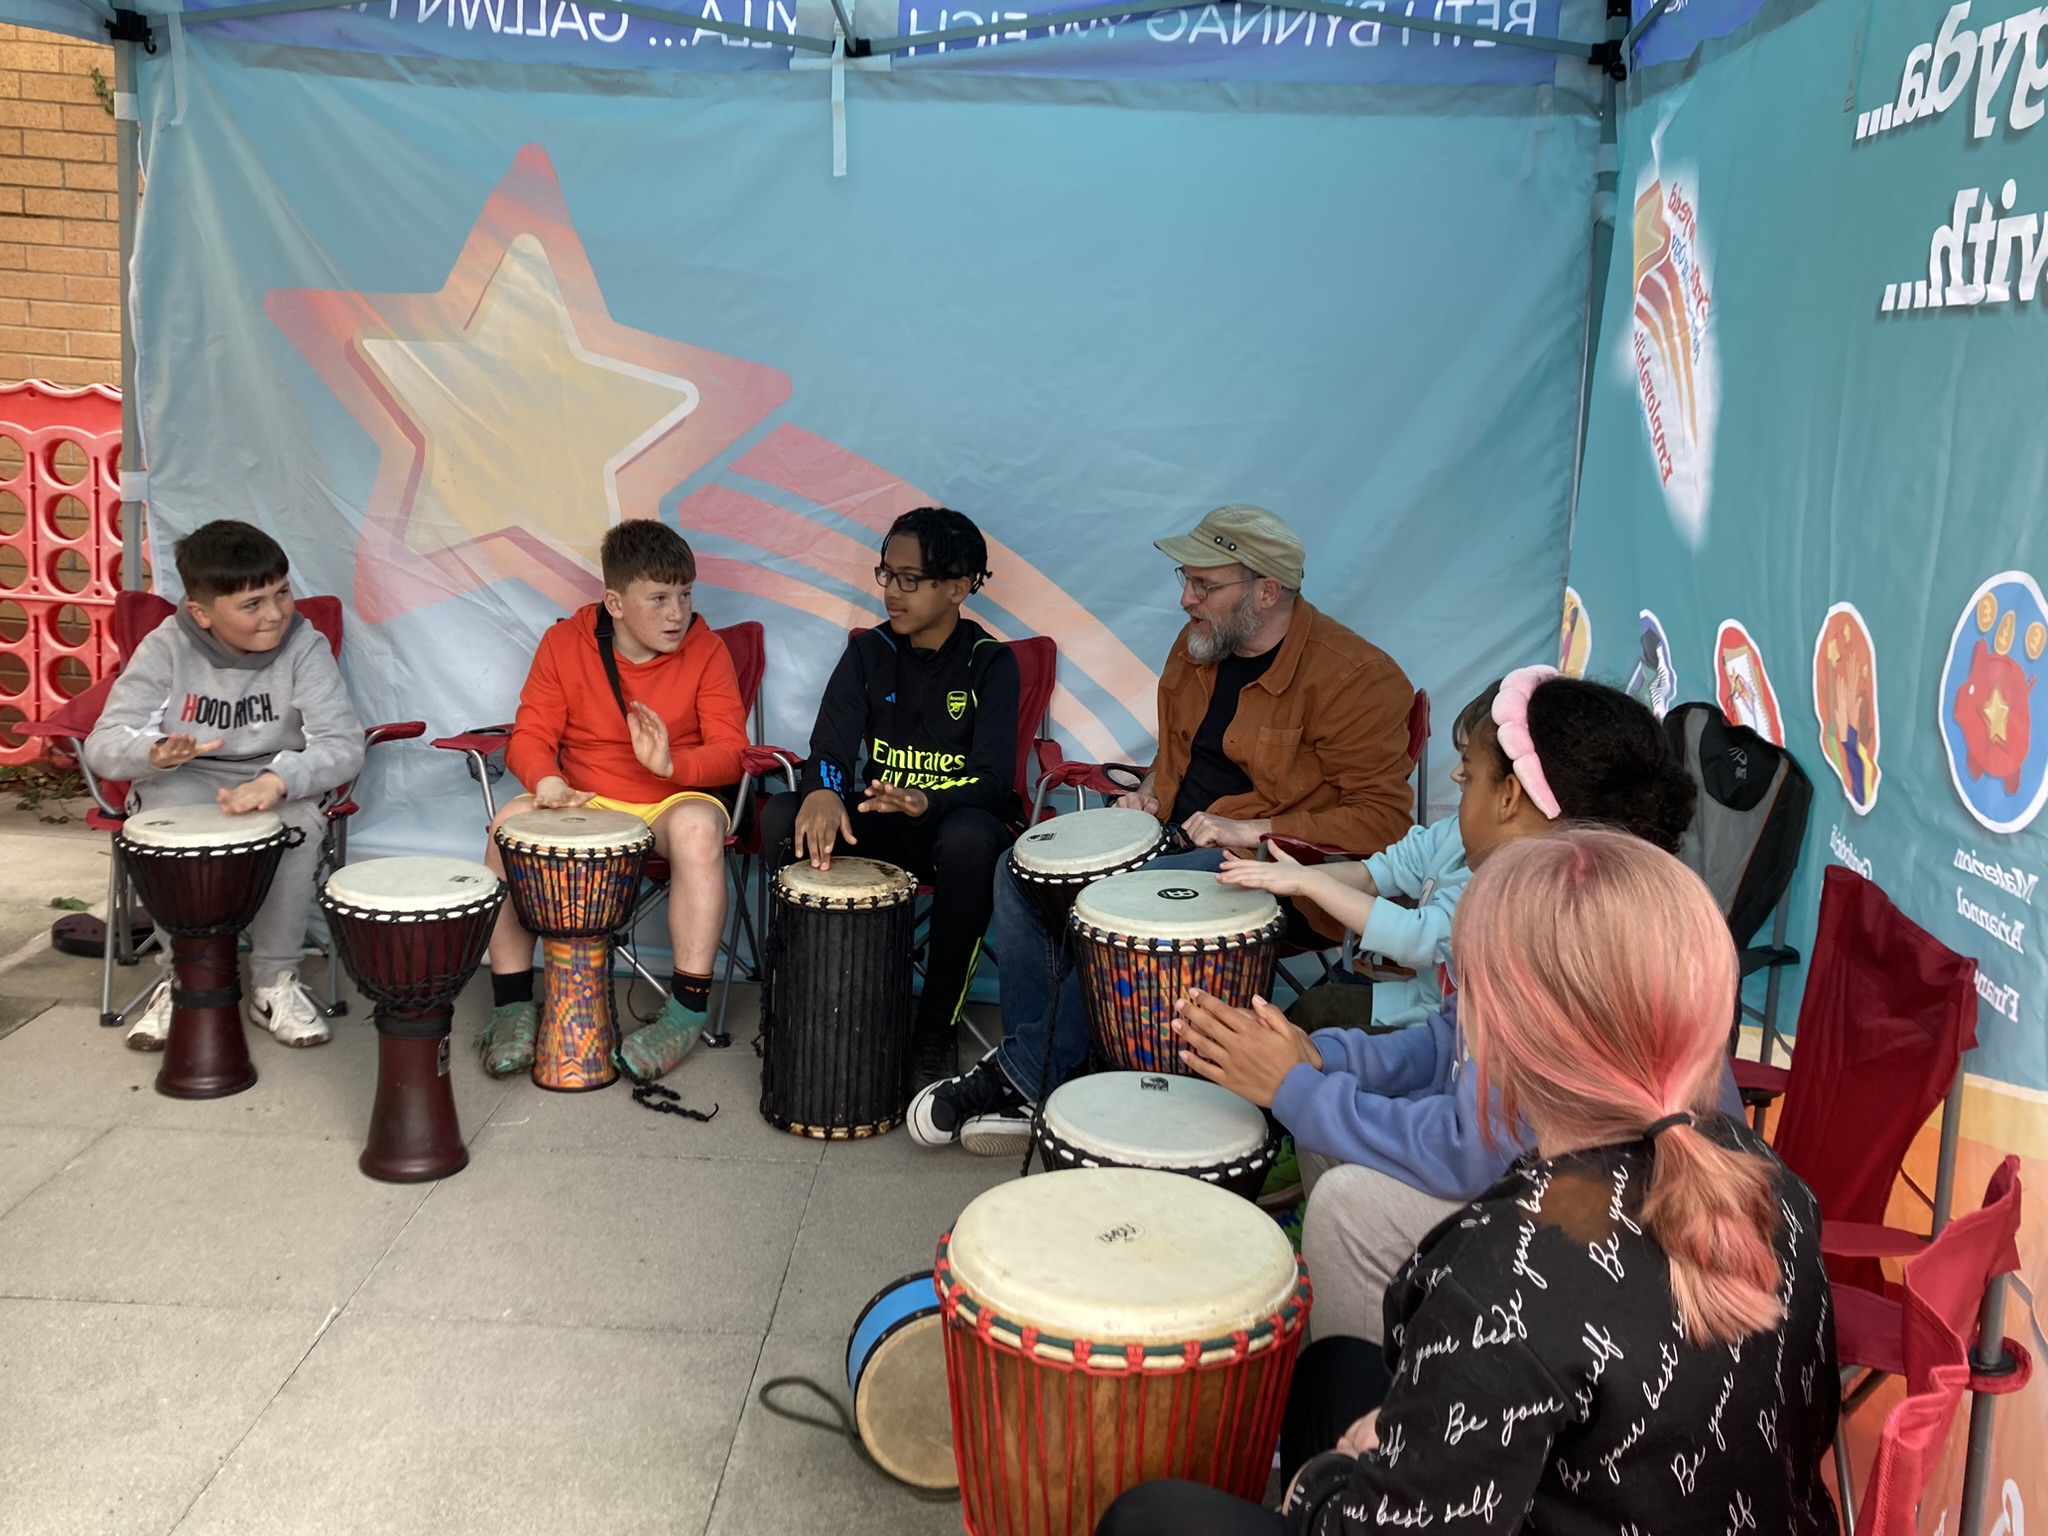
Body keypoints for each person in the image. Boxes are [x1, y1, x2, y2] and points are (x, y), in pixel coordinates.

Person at [1097, 827, 1841, 1536]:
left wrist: (1329, 1481)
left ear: (1496, 1035)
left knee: (1146, 1516)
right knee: (1334, 1368)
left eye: (1468, 993)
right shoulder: (1774, 1187)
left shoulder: (1504, 1270)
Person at [1175, 668, 1731, 1342]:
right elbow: (1450, 1043)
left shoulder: (1546, 926)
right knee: (1336, 1129)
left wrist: (1295, 1089)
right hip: (1583, 1187)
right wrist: (1320, 1056)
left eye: (1467, 776)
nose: (1456, 792)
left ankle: (1369, 1418)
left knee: (1352, 1207)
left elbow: (1473, 1150)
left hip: (1626, 1232)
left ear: (1511, 798)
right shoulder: (1579, 889)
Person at [909, 503, 1417, 1154]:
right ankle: (1052, 1073)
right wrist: (1146, 799)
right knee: (1020, 871)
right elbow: (1177, 764)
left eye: (1205, 585)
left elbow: (1382, 822)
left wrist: (1252, 829)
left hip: (1280, 874)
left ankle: (1022, 1074)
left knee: (1127, 903)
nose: (1185, 599)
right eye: (1186, 578)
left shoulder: (1357, 677)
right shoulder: (1198, 647)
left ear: (1266, 592)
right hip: (1176, 846)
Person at [756, 507, 1021, 1083]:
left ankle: (934, 1027)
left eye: (909, 579)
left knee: (975, 838)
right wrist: (823, 793)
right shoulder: (869, 651)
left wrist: (930, 801)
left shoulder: (991, 663)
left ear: (957, 587)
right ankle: (805, 1004)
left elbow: (995, 781)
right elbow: (828, 746)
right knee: (784, 815)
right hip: (880, 822)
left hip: (948, 830)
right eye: (886, 575)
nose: (891, 593)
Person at [477, 520, 746, 1083]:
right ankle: (510, 1007)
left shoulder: (708, 650)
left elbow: (730, 752)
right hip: (587, 800)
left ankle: (685, 1012)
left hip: (673, 800)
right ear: (615, 602)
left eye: (685, 595)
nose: (678, 613)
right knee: (508, 822)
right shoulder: (563, 643)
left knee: (700, 829)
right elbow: (529, 735)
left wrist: (674, 766)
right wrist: (546, 780)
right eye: (660, 598)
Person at [84, 520, 364, 1050]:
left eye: (282, 592)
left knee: (299, 822)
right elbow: (105, 742)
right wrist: (153, 753)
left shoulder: (305, 645)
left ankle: (273, 982)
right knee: (165, 825)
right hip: (184, 777)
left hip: (275, 778)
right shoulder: (165, 647)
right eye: (252, 604)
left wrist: (279, 779)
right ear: (201, 613)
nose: (276, 612)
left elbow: (343, 744)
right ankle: (181, 978)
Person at [1218, 689, 1497, 1035]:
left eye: (1467, 762)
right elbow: (1376, 873)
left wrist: (1308, 882)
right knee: (1314, 1008)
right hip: (1420, 1000)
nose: (1455, 773)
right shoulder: (1453, 830)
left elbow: (1418, 939)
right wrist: (1295, 875)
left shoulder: (1512, 878)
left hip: (1456, 1035)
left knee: (1308, 1033)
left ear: (1511, 792)